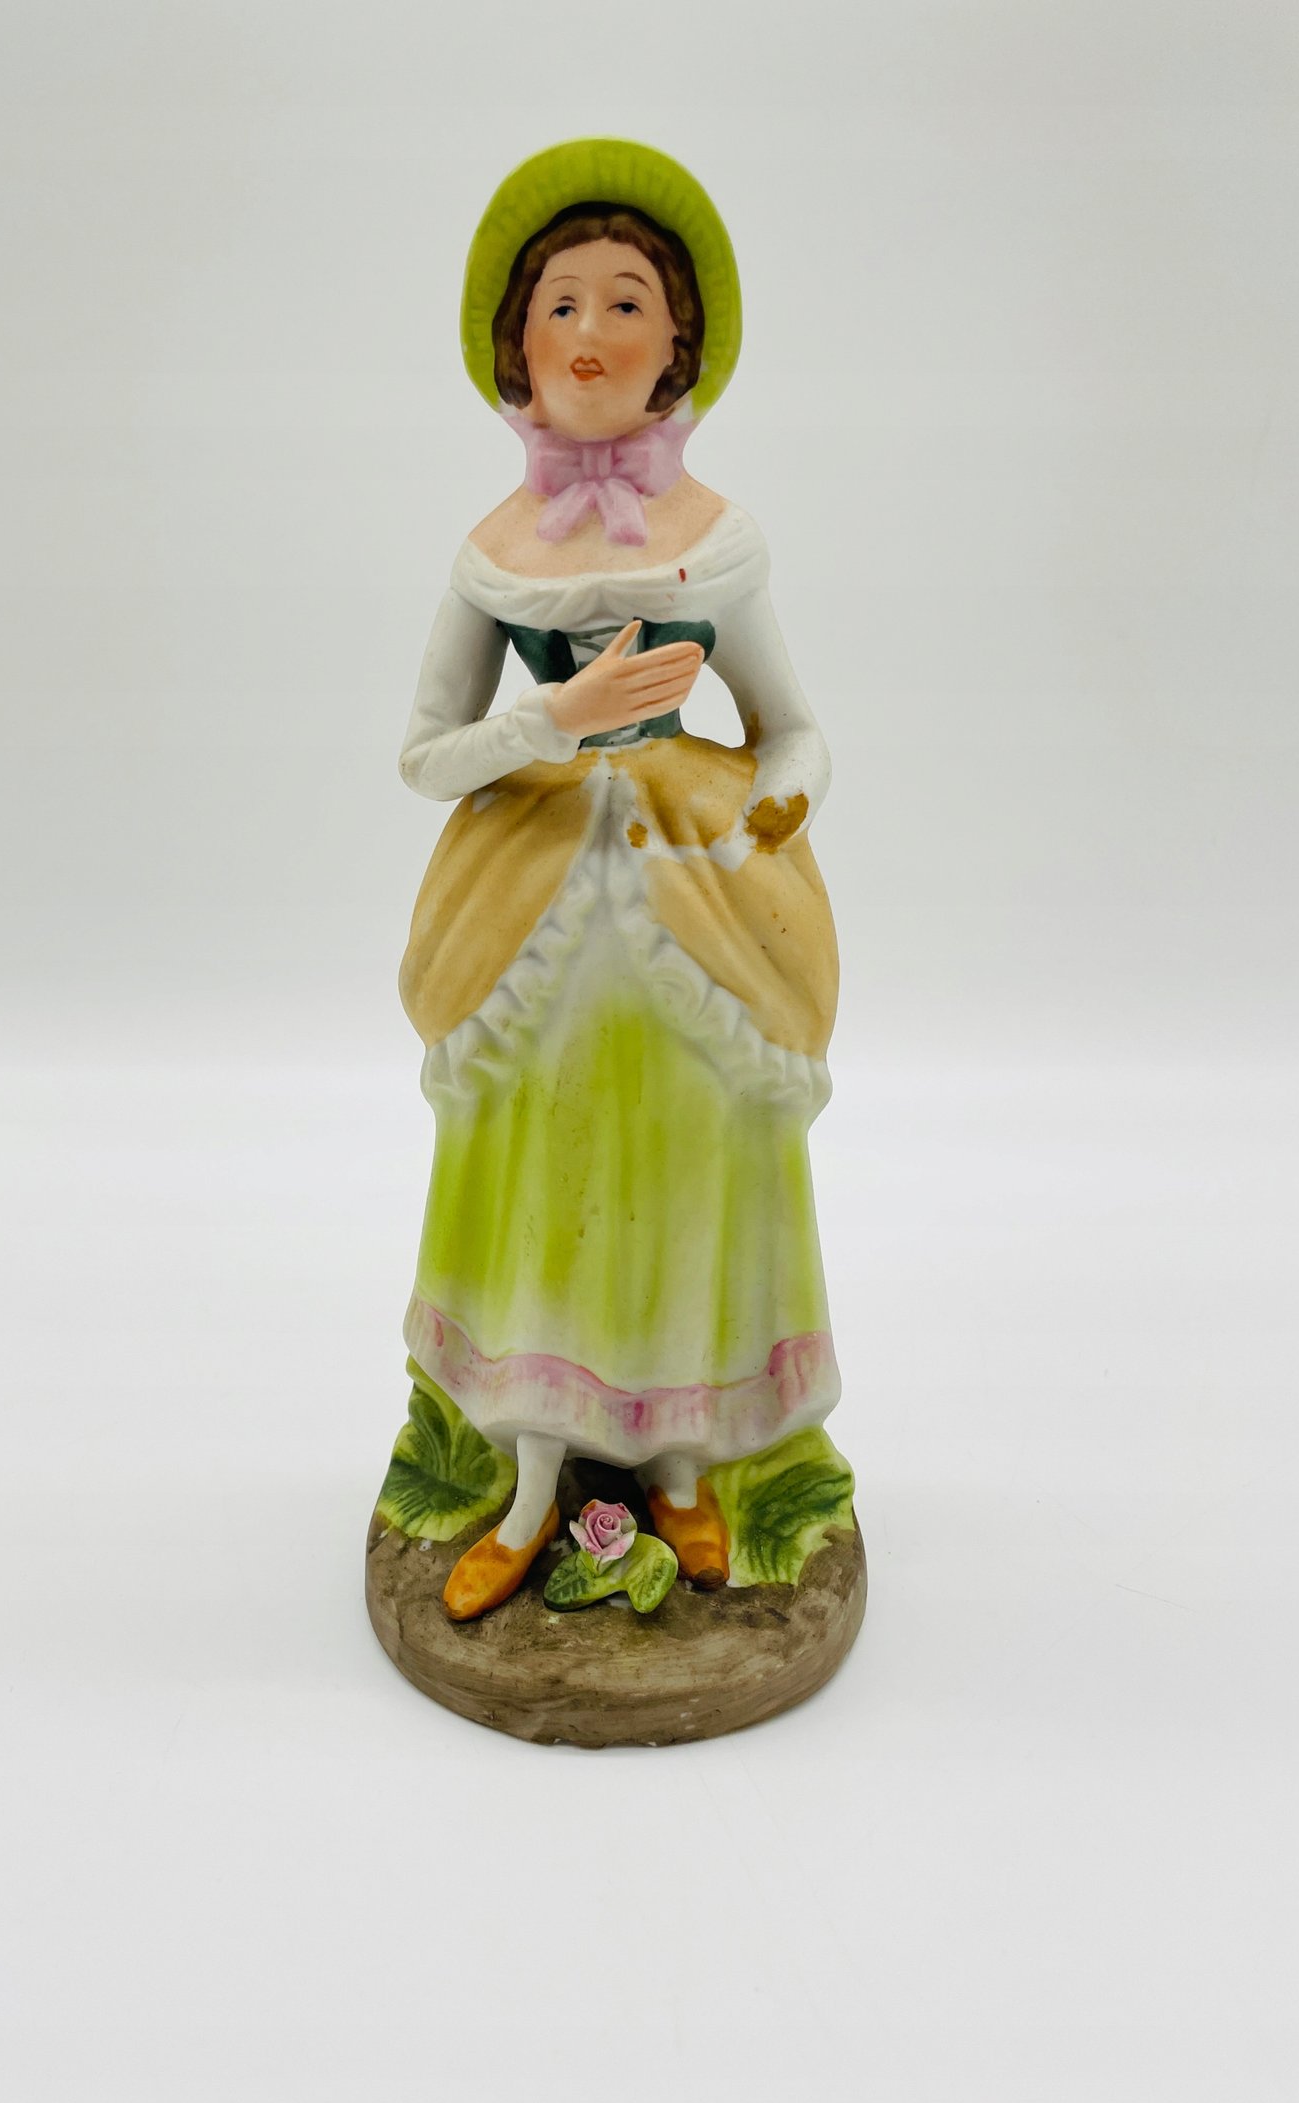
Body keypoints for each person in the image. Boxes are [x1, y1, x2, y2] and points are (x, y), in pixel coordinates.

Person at [396, 140, 841, 1621]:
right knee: (542, 1165)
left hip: (690, 884)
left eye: (627, 302)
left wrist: (775, 809)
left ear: (679, 345)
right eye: (563, 305)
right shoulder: (492, 556)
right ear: (518, 346)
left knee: (690, 1159)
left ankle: (688, 1468)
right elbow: (425, 756)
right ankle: (529, 1488)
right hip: (529, 882)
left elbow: (791, 727)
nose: (592, 334)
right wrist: (552, 722)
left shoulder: (717, 547)